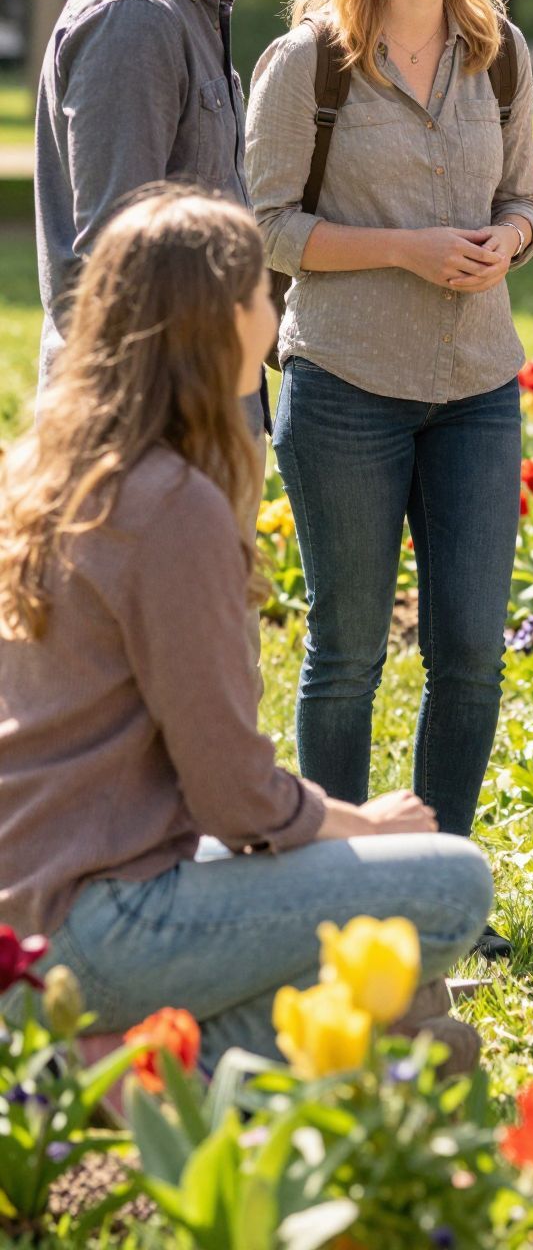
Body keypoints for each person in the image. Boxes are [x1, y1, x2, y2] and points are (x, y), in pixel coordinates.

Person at [0, 189, 492, 1069]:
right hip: (102, 926)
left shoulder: (47, 474)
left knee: (419, 1008)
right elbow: (235, 795)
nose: (276, 309)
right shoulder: (170, 505)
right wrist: (367, 829)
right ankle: (107, 1065)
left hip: (27, 911)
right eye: (265, 294)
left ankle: (391, 1039)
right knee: (454, 880)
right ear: (222, 323)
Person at [246, 0, 533, 958]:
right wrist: (406, 248)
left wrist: (507, 238)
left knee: (471, 645)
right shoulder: (308, 62)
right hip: (346, 383)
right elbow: (269, 223)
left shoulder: (498, 50)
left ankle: (438, 886)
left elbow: (527, 199)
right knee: (350, 644)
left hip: (477, 384)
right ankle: (336, 886)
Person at [35, 0, 311, 434]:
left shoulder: (193, 4)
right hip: (157, 434)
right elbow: (114, 269)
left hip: (204, 420)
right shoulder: (137, 15)